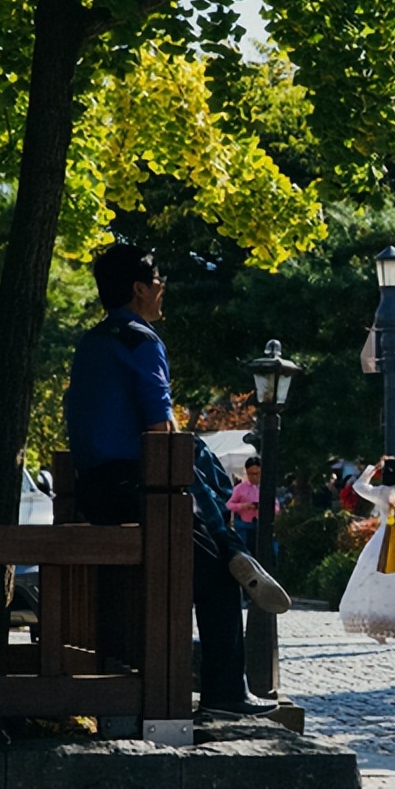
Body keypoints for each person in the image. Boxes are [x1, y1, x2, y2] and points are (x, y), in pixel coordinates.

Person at [65, 243, 288, 718]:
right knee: (217, 576)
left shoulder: (90, 342)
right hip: (142, 493)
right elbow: (160, 430)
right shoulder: (141, 340)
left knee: (204, 535)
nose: (164, 288)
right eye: (159, 279)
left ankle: (230, 547)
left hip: (94, 492)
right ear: (139, 288)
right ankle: (225, 694)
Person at [338, 457, 395, 644]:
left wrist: (372, 469)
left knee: (375, 580)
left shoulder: (382, 492)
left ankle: (378, 626)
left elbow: (359, 487)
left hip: (384, 537)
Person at [226, 456, 263, 555]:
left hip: (261, 525)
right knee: (245, 552)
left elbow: (276, 506)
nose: (254, 477)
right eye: (251, 474)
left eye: (257, 474)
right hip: (244, 526)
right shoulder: (240, 488)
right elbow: (229, 505)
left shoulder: (265, 487)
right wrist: (243, 506)